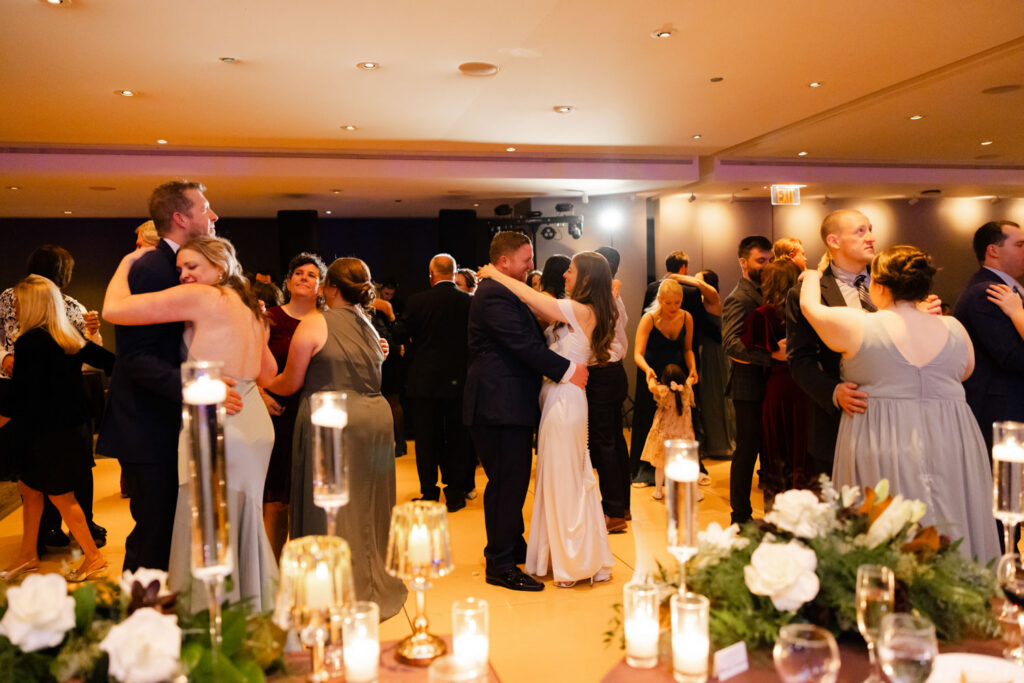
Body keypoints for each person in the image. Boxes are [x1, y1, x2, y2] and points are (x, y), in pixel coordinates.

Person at [103, 235, 278, 610]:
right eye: (180, 267)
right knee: (243, 521)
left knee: (211, 527)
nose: (183, 275)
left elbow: (114, 309)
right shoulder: (249, 306)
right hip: (254, 422)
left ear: (220, 268)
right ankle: (251, 611)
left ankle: (214, 616)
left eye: (192, 267)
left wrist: (128, 262)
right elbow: (269, 371)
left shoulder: (204, 296)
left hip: (219, 421)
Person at [799, 245, 999, 564]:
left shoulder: (858, 324)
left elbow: (810, 308)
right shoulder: (953, 328)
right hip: (951, 440)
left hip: (883, 440)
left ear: (878, 285)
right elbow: (966, 371)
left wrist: (811, 274)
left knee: (885, 531)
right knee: (953, 516)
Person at [265, 257, 408, 618]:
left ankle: (334, 588)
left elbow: (290, 382)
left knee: (331, 506)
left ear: (329, 288)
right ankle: (375, 580)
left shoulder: (315, 322)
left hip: (333, 421)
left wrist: (260, 381)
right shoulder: (368, 323)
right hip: (376, 420)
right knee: (371, 505)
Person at [98, 179, 224, 574]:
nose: (214, 215)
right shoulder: (155, 268)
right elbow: (137, 358)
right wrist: (200, 390)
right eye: (205, 208)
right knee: (151, 540)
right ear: (180, 217)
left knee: (167, 534)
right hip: (148, 424)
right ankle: (137, 629)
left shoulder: (172, 266)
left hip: (163, 421)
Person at [478, 250, 614, 588]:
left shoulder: (580, 310)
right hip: (558, 399)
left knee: (564, 478)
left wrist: (495, 275)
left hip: (565, 402)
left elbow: (534, 298)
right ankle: (562, 552)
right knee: (558, 477)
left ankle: (572, 558)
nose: (565, 274)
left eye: (571, 270)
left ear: (586, 279)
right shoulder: (578, 310)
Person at [463, 231, 587, 592]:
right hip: (497, 404)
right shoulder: (494, 295)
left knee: (512, 480)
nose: (532, 265)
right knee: (507, 484)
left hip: (506, 402)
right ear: (504, 262)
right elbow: (522, 345)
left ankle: (511, 545)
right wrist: (568, 371)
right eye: (526, 258)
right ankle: (500, 563)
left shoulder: (505, 291)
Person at [0, 275, 113, 582]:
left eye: (20, 303)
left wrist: (3, 419)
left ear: (34, 305)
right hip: (69, 430)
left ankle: (94, 558)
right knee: (31, 489)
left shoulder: (29, 343)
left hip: (47, 434)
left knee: (61, 497)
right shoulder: (69, 338)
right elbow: (112, 362)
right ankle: (28, 556)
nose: (16, 308)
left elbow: (20, 394)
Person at [261, 252, 326, 562]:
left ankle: (309, 572)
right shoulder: (269, 317)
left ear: (322, 285)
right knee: (276, 500)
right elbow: (246, 361)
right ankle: (271, 574)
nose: (304, 277)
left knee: (313, 497)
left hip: (316, 414)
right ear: (287, 282)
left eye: (312, 274)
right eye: (298, 272)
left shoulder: (328, 321)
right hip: (277, 413)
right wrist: (259, 391)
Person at [397, 253, 473, 512]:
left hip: (424, 382)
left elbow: (400, 334)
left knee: (426, 440)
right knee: (457, 439)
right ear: (455, 273)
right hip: (458, 381)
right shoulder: (468, 302)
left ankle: (429, 492)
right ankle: (455, 494)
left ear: (431, 275)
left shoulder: (417, 302)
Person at [635, 250, 705, 485]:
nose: (673, 307)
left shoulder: (687, 317)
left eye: (677, 303)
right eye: (668, 303)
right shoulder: (649, 319)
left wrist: (693, 368)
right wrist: (647, 371)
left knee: (682, 421)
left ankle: (685, 470)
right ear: (659, 301)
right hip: (655, 371)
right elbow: (637, 353)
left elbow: (687, 349)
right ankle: (647, 469)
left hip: (678, 372)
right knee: (654, 423)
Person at [741, 260, 809, 501]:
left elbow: (745, 348)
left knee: (776, 447)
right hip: (805, 387)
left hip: (777, 387)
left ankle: (778, 506)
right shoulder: (808, 311)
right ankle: (806, 503)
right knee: (803, 447)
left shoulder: (761, 315)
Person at [953, 220, 1024, 451]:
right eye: (1020, 245)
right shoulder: (987, 292)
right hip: (1003, 408)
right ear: (993, 250)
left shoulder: (1010, 290)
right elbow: (1012, 357)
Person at [722, 235, 774, 524]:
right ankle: (739, 515)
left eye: (770, 260)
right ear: (743, 262)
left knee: (769, 449)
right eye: (761, 261)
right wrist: (772, 357)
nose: (767, 266)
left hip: (770, 384)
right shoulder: (738, 297)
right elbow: (731, 345)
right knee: (747, 451)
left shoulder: (770, 291)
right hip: (748, 386)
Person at [589, 246, 631, 533]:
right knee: (614, 440)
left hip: (602, 375)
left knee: (604, 442)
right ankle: (622, 505)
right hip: (615, 373)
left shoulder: (602, 301)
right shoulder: (613, 299)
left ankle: (614, 511)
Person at [692, 269, 734, 460]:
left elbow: (702, 287)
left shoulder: (713, 299)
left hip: (715, 353)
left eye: (698, 280)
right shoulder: (699, 303)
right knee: (705, 399)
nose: (694, 283)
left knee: (716, 397)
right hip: (703, 352)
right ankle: (707, 444)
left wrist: (674, 275)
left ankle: (721, 445)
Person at [641, 364, 696, 502]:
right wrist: (692, 372)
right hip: (684, 436)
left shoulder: (664, 391)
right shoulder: (687, 389)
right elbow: (692, 380)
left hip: (665, 437)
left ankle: (659, 490)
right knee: (684, 466)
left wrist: (651, 376)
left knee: (660, 466)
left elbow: (651, 386)